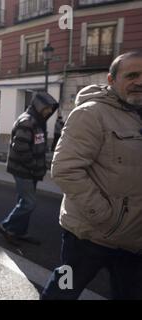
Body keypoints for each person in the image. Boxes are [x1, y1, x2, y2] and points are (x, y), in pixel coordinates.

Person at [41, 51, 142, 300]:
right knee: (62, 291)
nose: (140, 81)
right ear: (111, 79)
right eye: (132, 75)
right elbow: (65, 169)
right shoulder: (91, 113)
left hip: (134, 240)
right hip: (89, 236)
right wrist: (107, 217)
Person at [0, 92, 59, 245]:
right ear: (39, 106)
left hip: (31, 170)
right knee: (28, 203)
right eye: (46, 108)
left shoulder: (38, 121)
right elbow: (21, 149)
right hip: (24, 170)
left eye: (50, 109)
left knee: (23, 202)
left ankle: (19, 232)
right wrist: (34, 167)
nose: (49, 112)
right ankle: (6, 226)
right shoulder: (27, 121)